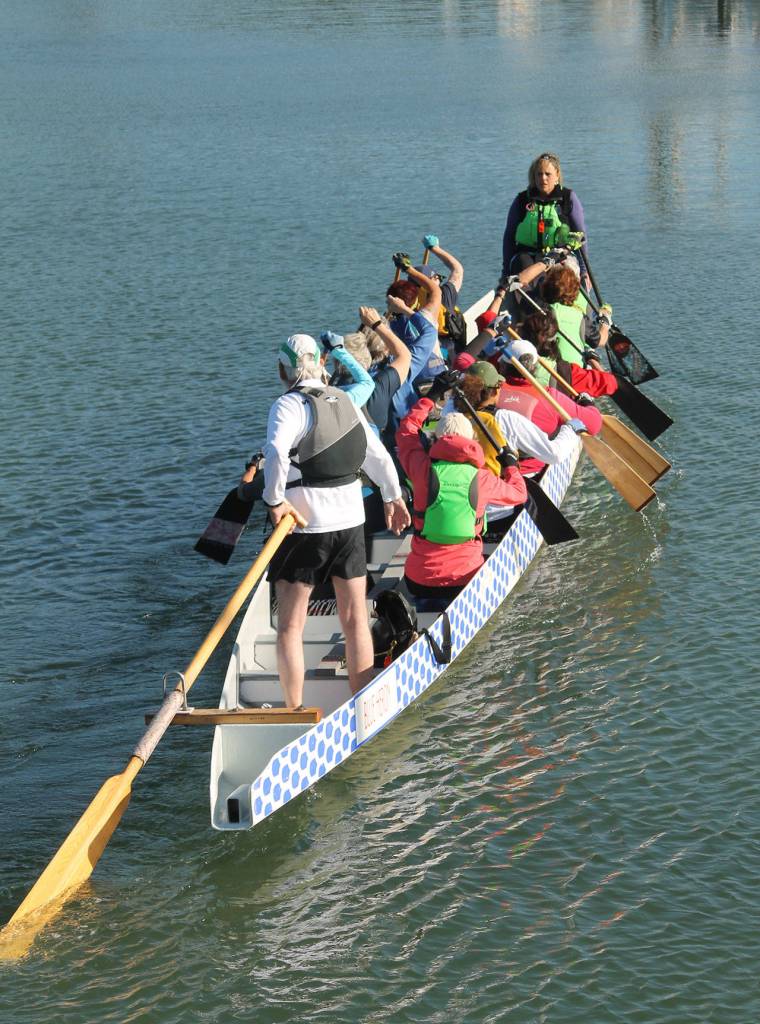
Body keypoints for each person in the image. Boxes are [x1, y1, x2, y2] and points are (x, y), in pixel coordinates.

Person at [261, 333, 410, 709]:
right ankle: (361, 697)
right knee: (356, 616)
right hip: (349, 524)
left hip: (305, 526)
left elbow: (277, 453)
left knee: (291, 626)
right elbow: (376, 455)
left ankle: (294, 710)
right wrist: (393, 497)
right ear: (322, 365)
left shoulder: (287, 405)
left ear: (283, 371)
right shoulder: (345, 400)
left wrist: (274, 500)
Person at [395, 380, 527, 605]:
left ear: (436, 439)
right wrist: (510, 465)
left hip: (418, 581)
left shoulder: (420, 468)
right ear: (472, 441)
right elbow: (519, 493)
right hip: (466, 580)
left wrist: (432, 395)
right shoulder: (483, 478)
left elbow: (407, 430)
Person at [494, 339, 603, 473]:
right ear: (535, 367)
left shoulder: (490, 392)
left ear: (503, 366)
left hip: (495, 466)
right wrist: (587, 403)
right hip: (531, 470)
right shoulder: (549, 397)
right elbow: (594, 424)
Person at [502, 152, 591, 290]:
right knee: (521, 266)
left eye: (547, 174)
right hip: (527, 255)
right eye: (539, 174)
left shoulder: (568, 199)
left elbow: (581, 236)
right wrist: (505, 272)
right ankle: (530, 306)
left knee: (562, 276)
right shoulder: (521, 200)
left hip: (560, 255)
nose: (543, 178)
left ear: (557, 175)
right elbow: (509, 237)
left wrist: (585, 272)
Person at [519, 310, 620, 398]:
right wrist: (593, 360)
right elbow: (611, 383)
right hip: (555, 415)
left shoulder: (507, 360)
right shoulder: (566, 372)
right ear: (555, 341)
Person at [540, 264, 612, 365]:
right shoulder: (579, 316)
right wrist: (605, 322)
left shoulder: (543, 311)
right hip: (575, 369)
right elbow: (600, 341)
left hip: (551, 368)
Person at [409, 235, 467, 355]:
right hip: (449, 349)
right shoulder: (444, 295)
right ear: (429, 281)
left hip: (423, 350)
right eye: (436, 277)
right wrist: (434, 248)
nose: (439, 280)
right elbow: (457, 270)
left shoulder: (405, 302)